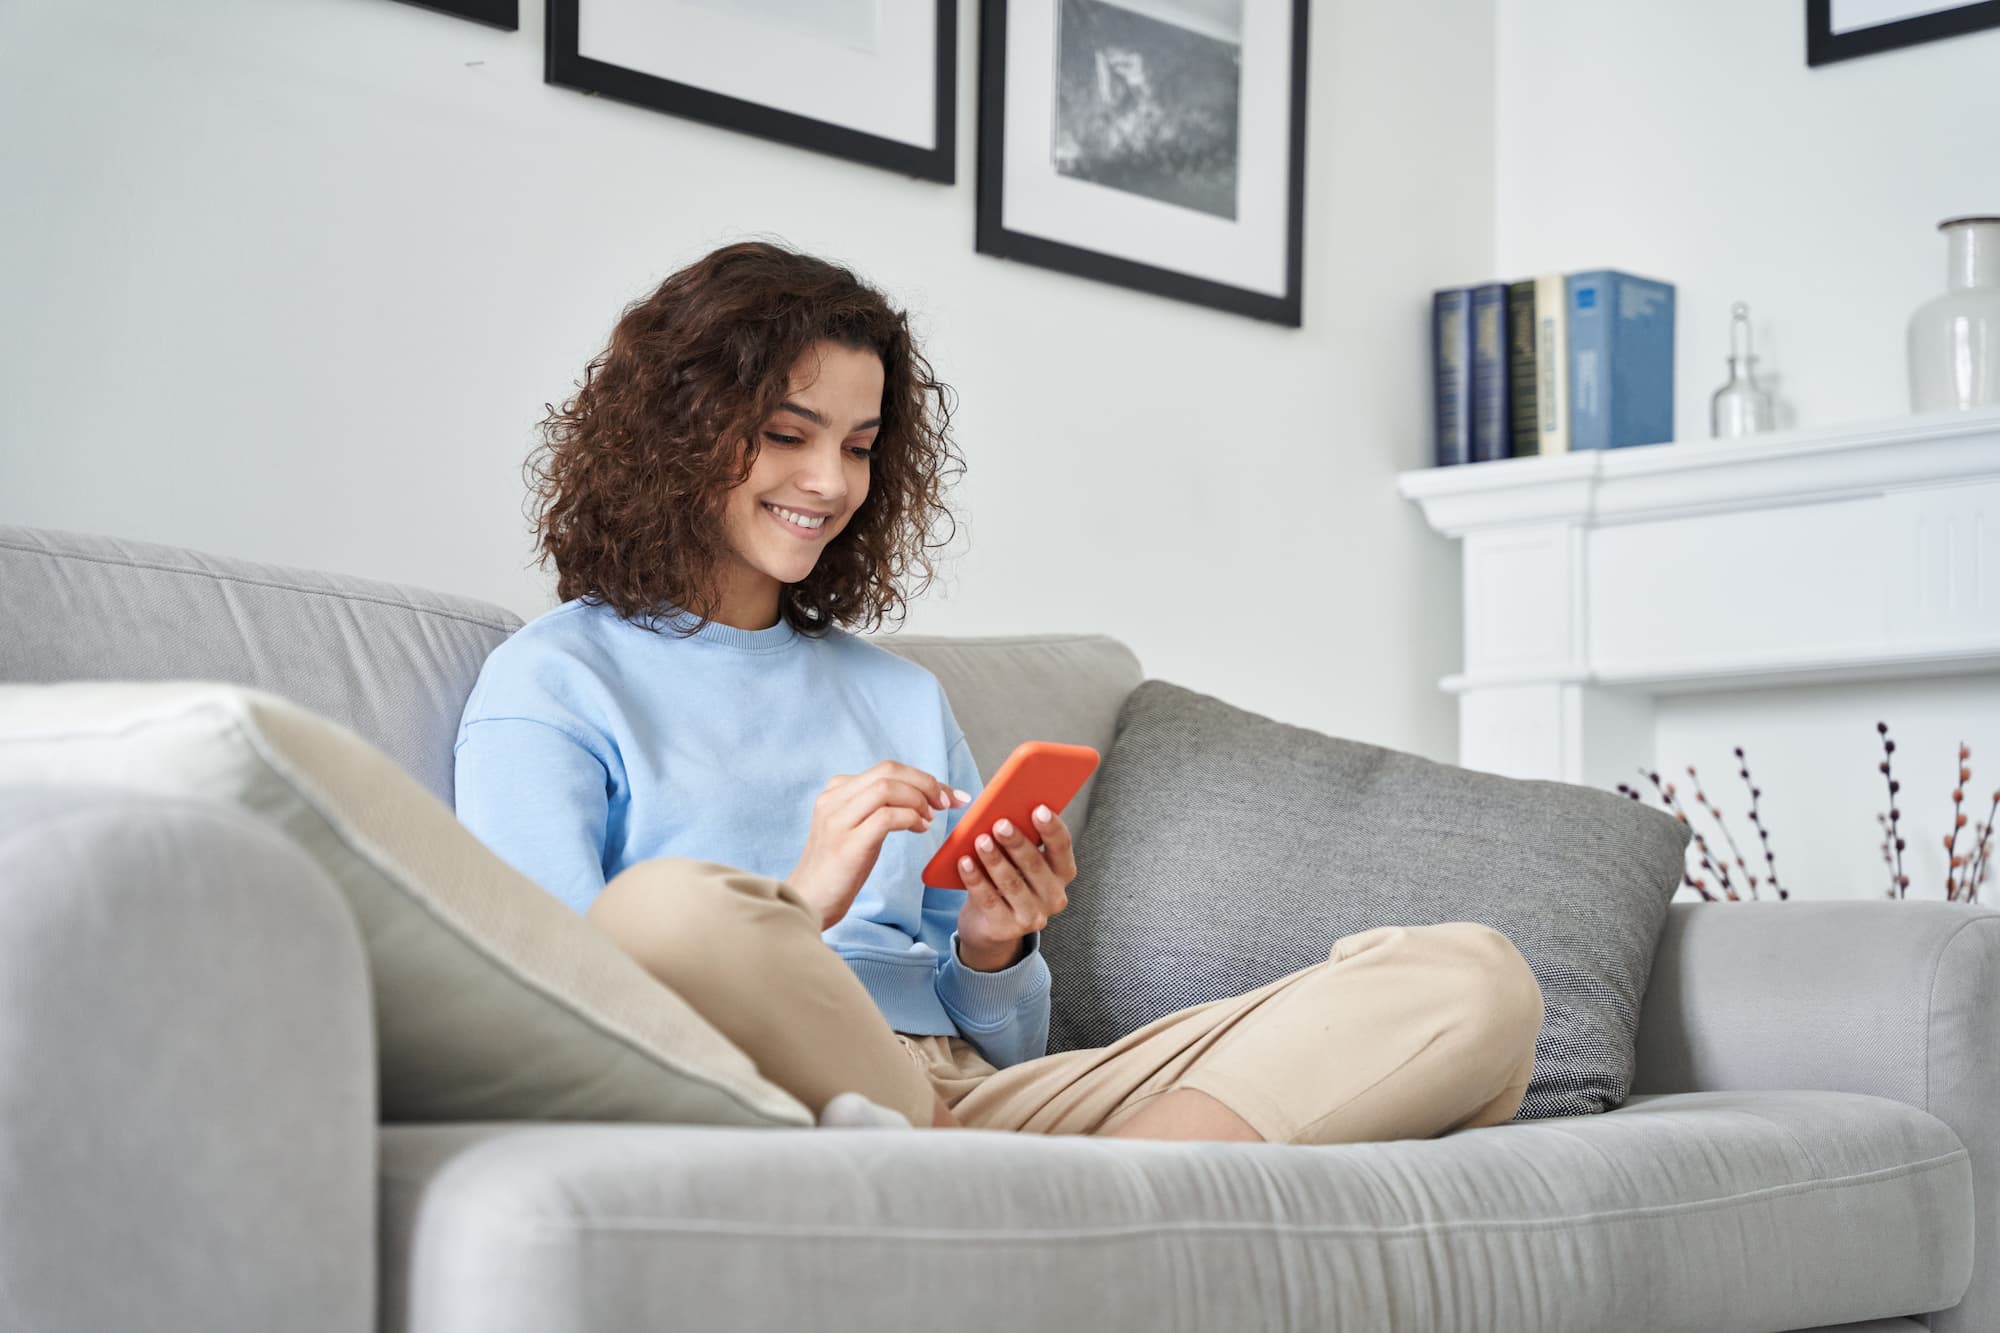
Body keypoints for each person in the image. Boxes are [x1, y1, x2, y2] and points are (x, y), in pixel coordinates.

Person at [453, 239, 1543, 1141]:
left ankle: (1109, 1190)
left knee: (1470, 978)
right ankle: (1061, 1188)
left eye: (859, 445)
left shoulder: (897, 695)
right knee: (666, 908)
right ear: (674, 433)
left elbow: (1008, 1044)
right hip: (777, 1082)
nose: (829, 483)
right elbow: (555, 998)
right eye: (787, 435)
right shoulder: (554, 680)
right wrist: (799, 903)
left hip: (971, 1105)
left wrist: (992, 944)